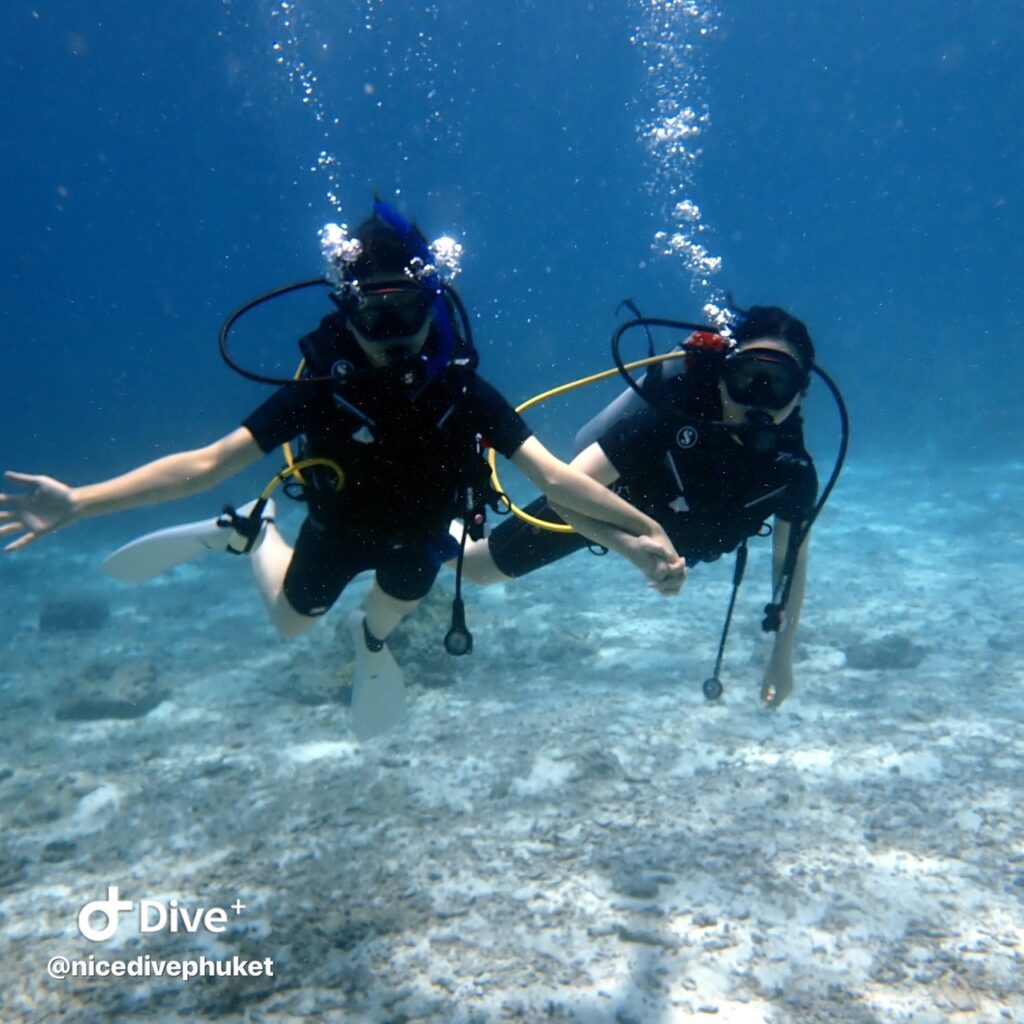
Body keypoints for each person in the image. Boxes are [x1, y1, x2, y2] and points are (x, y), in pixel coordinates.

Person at [0, 204, 686, 738]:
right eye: (373, 315)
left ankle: (369, 639)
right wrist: (81, 502)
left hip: (421, 538)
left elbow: (555, 478)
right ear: (347, 312)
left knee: (387, 615)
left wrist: (645, 530)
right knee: (293, 625)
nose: (392, 335)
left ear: (433, 308)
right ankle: (252, 532)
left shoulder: (463, 390)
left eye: (407, 311)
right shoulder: (320, 390)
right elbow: (206, 464)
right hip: (340, 530)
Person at [456, 306, 819, 709]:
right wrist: (630, 544)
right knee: (477, 568)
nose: (759, 400)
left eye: (779, 384)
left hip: (679, 534)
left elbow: (790, 562)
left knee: (480, 570)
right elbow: (564, 490)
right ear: (721, 376)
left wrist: (782, 657)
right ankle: (440, 521)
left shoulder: (794, 472)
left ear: (800, 393)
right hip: (606, 507)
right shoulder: (670, 418)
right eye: (746, 377)